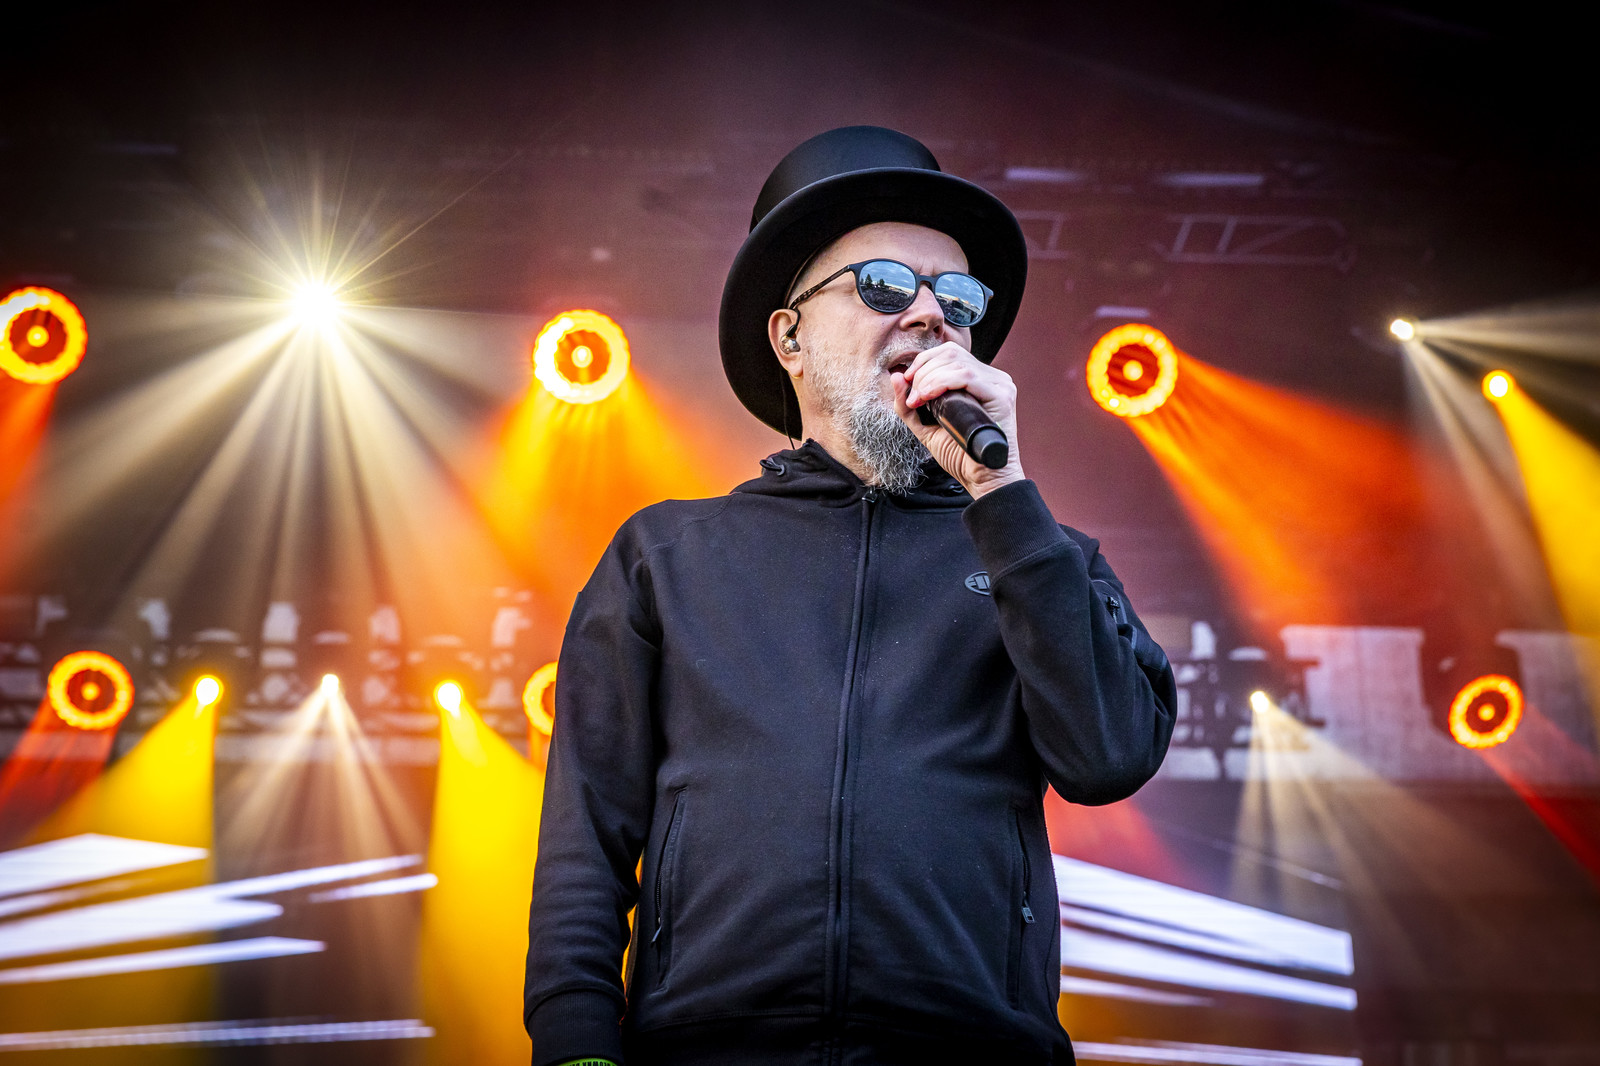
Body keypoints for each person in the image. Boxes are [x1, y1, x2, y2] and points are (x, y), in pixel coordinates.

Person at [525, 126, 1176, 1066]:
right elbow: (586, 835)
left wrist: (1002, 494)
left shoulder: (1041, 556)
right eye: (883, 285)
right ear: (789, 337)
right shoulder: (667, 556)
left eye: (957, 298)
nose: (930, 314)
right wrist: (578, 1047)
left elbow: (1109, 757)